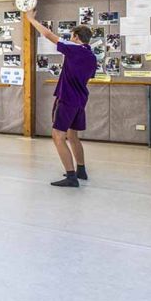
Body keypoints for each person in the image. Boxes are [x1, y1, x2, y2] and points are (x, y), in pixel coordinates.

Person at [25, 11, 97, 187]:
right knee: (73, 135)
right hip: (80, 100)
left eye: (72, 36)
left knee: (58, 135)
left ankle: (71, 176)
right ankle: (81, 170)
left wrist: (31, 19)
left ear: (76, 37)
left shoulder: (73, 49)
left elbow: (48, 34)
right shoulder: (92, 56)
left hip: (67, 98)